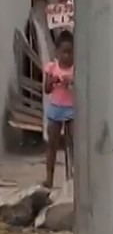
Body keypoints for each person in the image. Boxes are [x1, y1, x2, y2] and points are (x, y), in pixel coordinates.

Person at [42, 30, 75, 188]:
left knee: (72, 144)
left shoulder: (76, 70)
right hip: (56, 108)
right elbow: (46, 89)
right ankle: (49, 178)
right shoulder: (52, 68)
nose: (67, 56)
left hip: (72, 109)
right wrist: (52, 80)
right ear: (57, 52)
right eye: (64, 52)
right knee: (52, 144)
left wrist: (72, 82)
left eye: (71, 52)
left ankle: (72, 176)